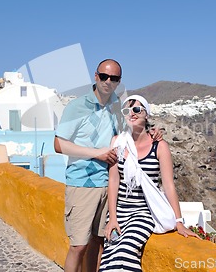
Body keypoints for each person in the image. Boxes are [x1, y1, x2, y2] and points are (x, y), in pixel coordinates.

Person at [54, 60, 161, 272]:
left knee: (99, 243)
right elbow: (58, 144)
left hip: (111, 186)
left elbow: (130, 131)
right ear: (96, 76)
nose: (108, 81)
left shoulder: (117, 106)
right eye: (104, 76)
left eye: (114, 78)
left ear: (119, 82)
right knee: (79, 245)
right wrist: (97, 154)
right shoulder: (77, 107)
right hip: (83, 183)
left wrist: (153, 131)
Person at [99, 95, 199, 272]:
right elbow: (113, 180)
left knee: (125, 250)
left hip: (143, 213)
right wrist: (112, 217)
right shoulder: (118, 142)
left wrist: (179, 221)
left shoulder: (160, 146)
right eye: (127, 110)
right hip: (119, 211)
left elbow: (169, 185)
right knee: (110, 254)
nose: (132, 113)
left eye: (137, 109)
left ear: (147, 114)